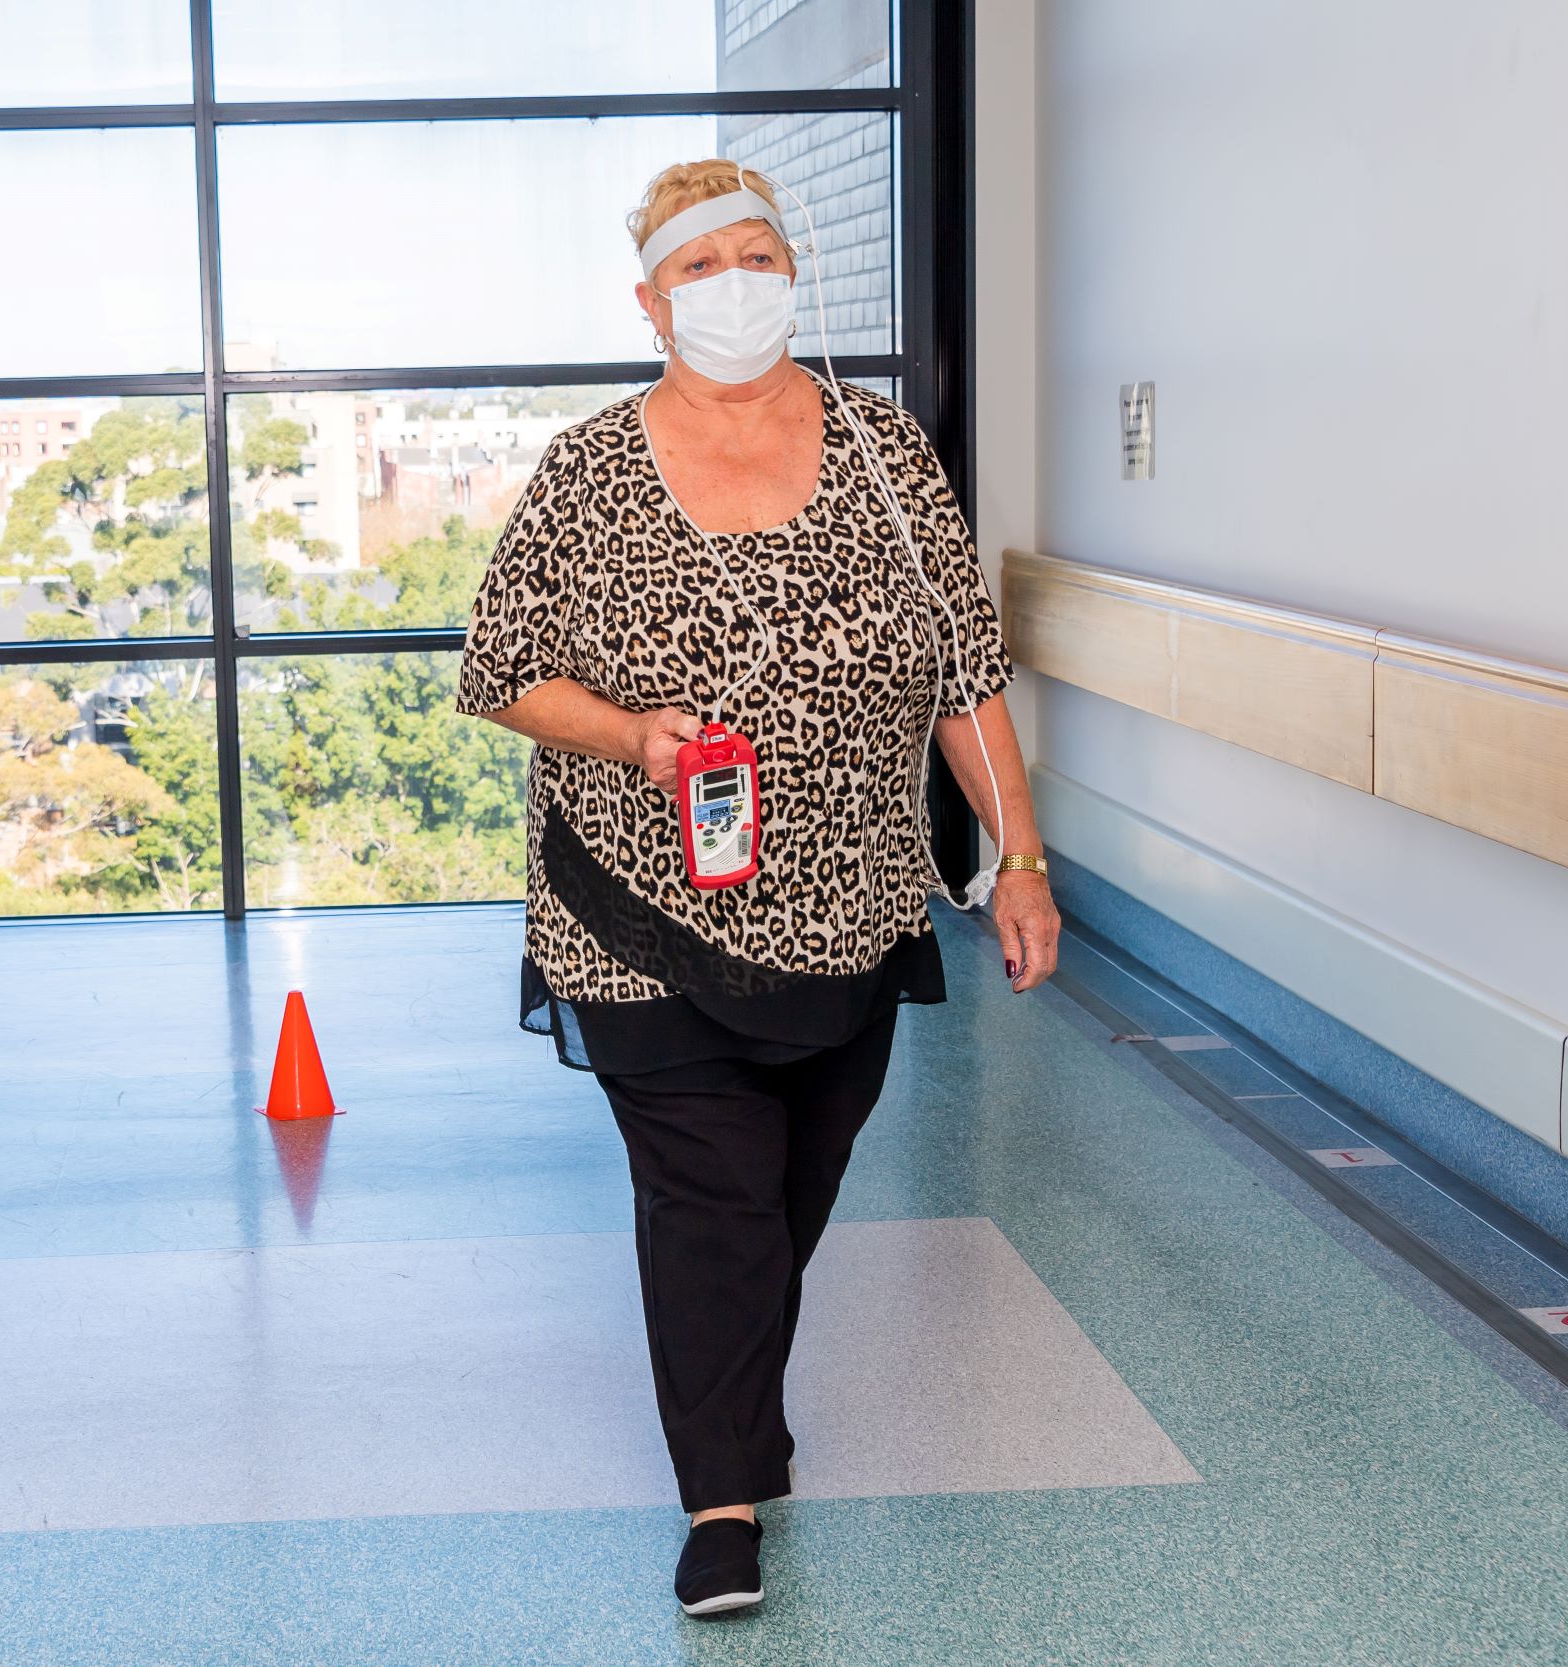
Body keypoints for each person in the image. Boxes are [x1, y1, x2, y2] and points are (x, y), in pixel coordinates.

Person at [456, 159, 1063, 1617]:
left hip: (848, 910)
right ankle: (720, 1503)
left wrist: (1020, 856)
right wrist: (632, 737)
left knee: (794, 1186)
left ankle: (739, 1407)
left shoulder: (885, 454)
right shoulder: (593, 469)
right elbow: (501, 675)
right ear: (653, 300)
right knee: (711, 1197)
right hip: (639, 909)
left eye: (758, 256)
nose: (739, 286)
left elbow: (963, 676)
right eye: (704, 266)